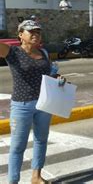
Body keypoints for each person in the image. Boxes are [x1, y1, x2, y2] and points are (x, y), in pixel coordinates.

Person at [0, 20, 64, 184]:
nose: (36, 34)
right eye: (31, 32)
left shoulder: (43, 52)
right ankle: (13, 181)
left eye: (38, 32)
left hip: (44, 103)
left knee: (41, 140)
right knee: (17, 147)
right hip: (22, 105)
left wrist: (58, 79)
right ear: (21, 35)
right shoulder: (13, 52)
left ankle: (36, 176)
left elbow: (49, 74)